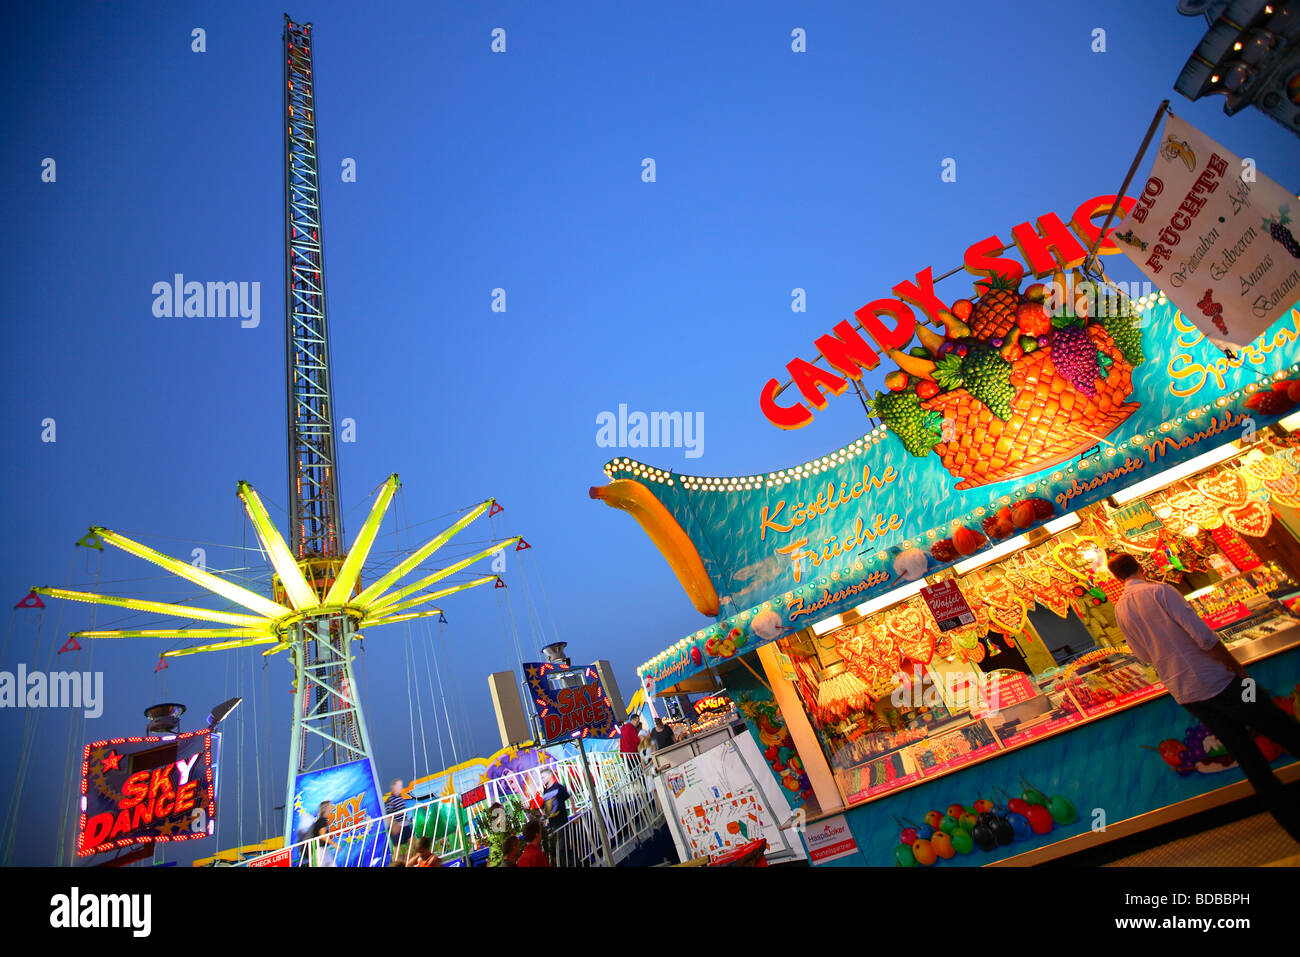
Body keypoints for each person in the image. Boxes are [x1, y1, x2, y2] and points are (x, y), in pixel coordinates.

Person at [1109, 551, 1300, 841]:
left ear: (1117, 578)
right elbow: (1204, 636)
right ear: (1140, 566)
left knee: (1248, 759)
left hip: (1188, 695)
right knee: (1279, 727)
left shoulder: (1120, 610)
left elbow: (1143, 656)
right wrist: (1237, 669)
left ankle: (1293, 826)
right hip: (1222, 681)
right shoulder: (1161, 591)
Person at [385, 779, 411, 862]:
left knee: (412, 841)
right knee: (397, 847)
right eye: (399, 786)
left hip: (405, 824)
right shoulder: (390, 799)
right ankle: (396, 863)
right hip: (398, 825)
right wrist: (393, 826)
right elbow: (388, 814)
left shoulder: (400, 797)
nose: (400, 788)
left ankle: (407, 861)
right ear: (394, 787)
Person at [304, 800, 335, 867]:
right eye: (330, 807)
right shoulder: (322, 821)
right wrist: (334, 844)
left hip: (323, 850)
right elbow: (322, 836)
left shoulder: (322, 821)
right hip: (319, 850)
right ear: (326, 809)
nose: (331, 809)